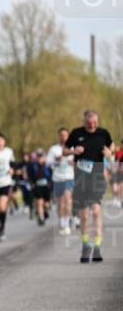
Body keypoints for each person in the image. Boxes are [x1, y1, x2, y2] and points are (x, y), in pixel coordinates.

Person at [67, 110, 115, 262]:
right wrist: (73, 150)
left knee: (95, 211)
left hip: (98, 177)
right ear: (84, 122)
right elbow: (64, 150)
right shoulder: (76, 133)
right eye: (89, 123)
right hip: (81, 178)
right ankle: (86, 244)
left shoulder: (103, 133)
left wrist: (109, 152)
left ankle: (98, 246)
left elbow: (111, 146)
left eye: (95, 123)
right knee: (84, 215)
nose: (93, 125)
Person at [48, 127, 76, 235]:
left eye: (65, 135)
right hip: (57, 178)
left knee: (67, 199)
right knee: (60, 202)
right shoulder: (53, 149)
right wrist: (56, 160)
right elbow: (47, 163)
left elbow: (80, 162)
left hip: (69, 177)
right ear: (58, 136)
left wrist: (73, 163)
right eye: (61, 135)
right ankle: (61, 222)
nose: (63, 137)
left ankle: (67, 223)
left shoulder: (73, 148)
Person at [27, 149, 53, 226]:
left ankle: (44, 211)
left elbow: (51, 176)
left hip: (46, 186)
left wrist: (50, 184)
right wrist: (32, 184)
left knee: (46, 204)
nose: (40, 158)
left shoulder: (47, 165)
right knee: (39, 202)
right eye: (38, 156)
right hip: (37, 186)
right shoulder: (32, 165)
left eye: (41, 156)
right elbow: (30, 176)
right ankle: (41, 218)